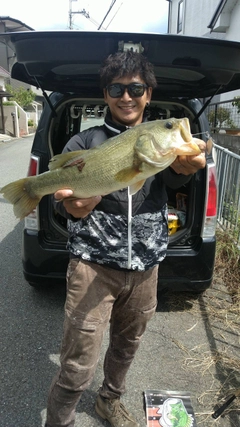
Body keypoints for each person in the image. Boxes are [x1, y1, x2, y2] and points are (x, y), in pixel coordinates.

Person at [45, 51, 206, 427]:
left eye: (136, 88)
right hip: (92, 268)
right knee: (78, 358)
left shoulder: (159, 143)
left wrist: (190, 164)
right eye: (117, 88)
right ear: (106, 94)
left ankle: (108, 401)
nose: (126, 96)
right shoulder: (84, 141)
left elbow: (180, 172)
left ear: (148, 93)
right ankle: (60, 420)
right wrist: (72, 209)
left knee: (126, 346)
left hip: (146, 269)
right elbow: (64, 206)